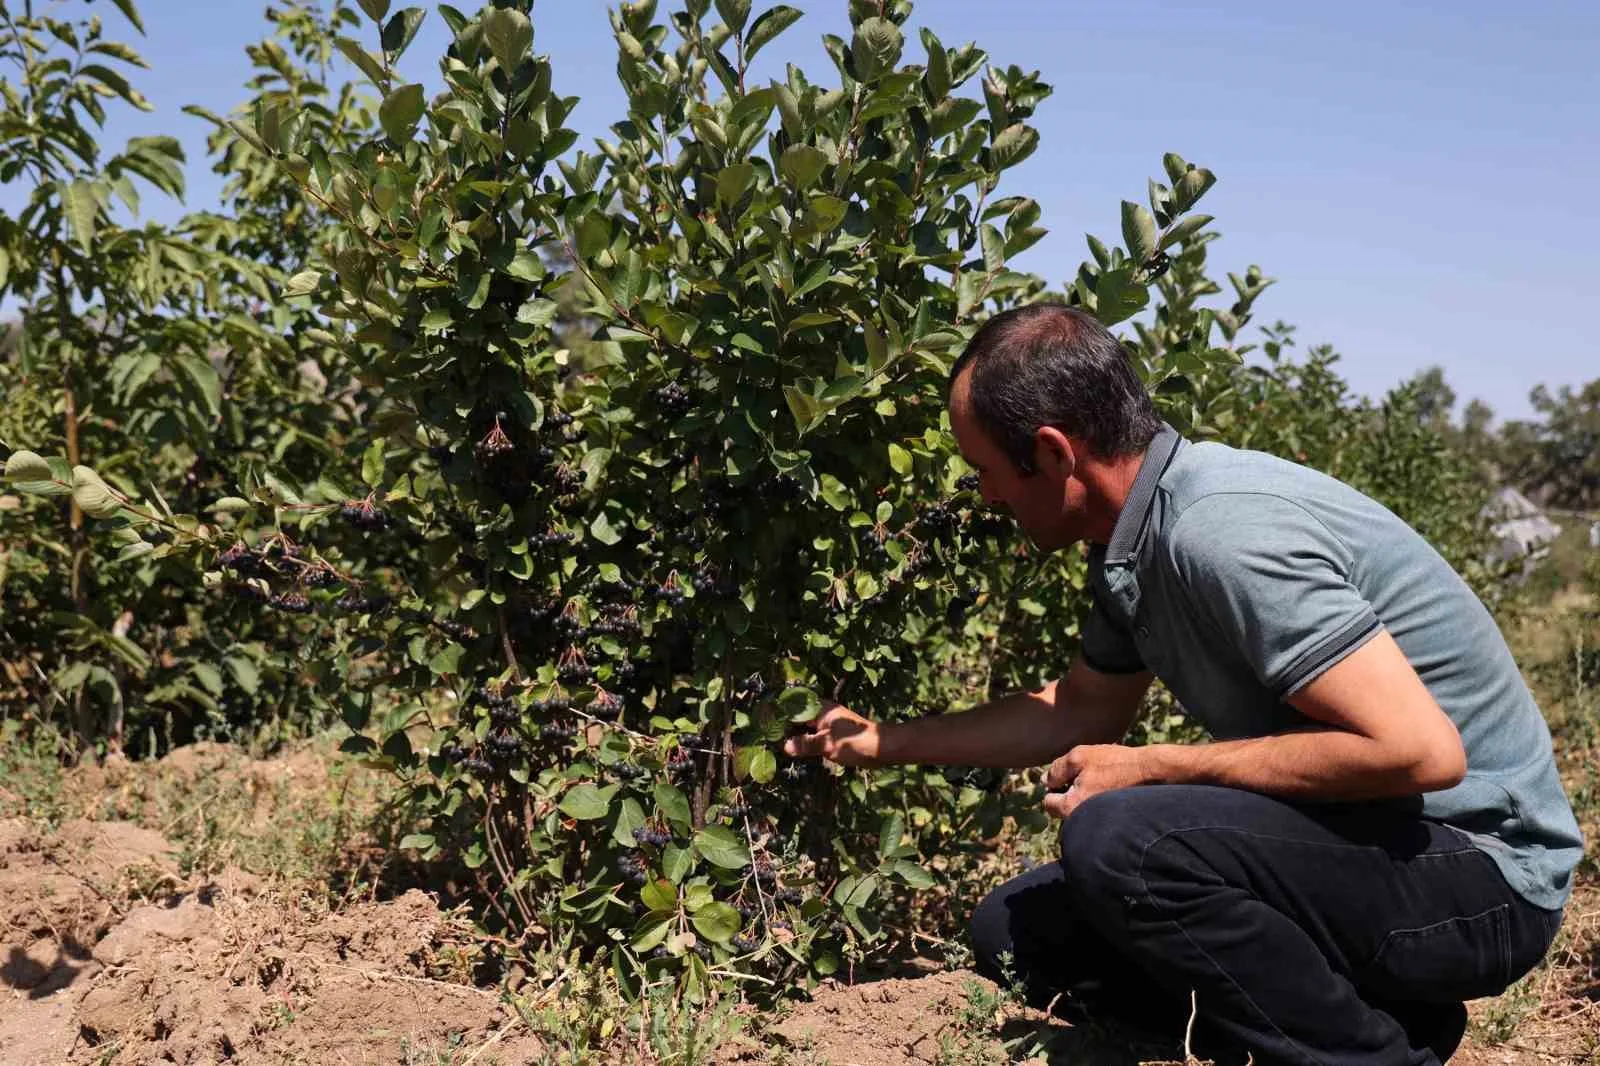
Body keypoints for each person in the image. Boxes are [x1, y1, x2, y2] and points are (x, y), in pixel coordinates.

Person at [782, 304, 1582, 1066]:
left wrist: (1154, 764)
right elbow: (1081, 709)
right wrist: (885, 742)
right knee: (1016, 933)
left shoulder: (1217, 532)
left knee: (1124, 840)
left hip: (1483, 879)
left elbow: (1420, 753)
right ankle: (1391, 1016)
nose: (985, 497)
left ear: (1056, 454)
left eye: (986, 471)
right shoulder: (1131, 543)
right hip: (1378, 850)